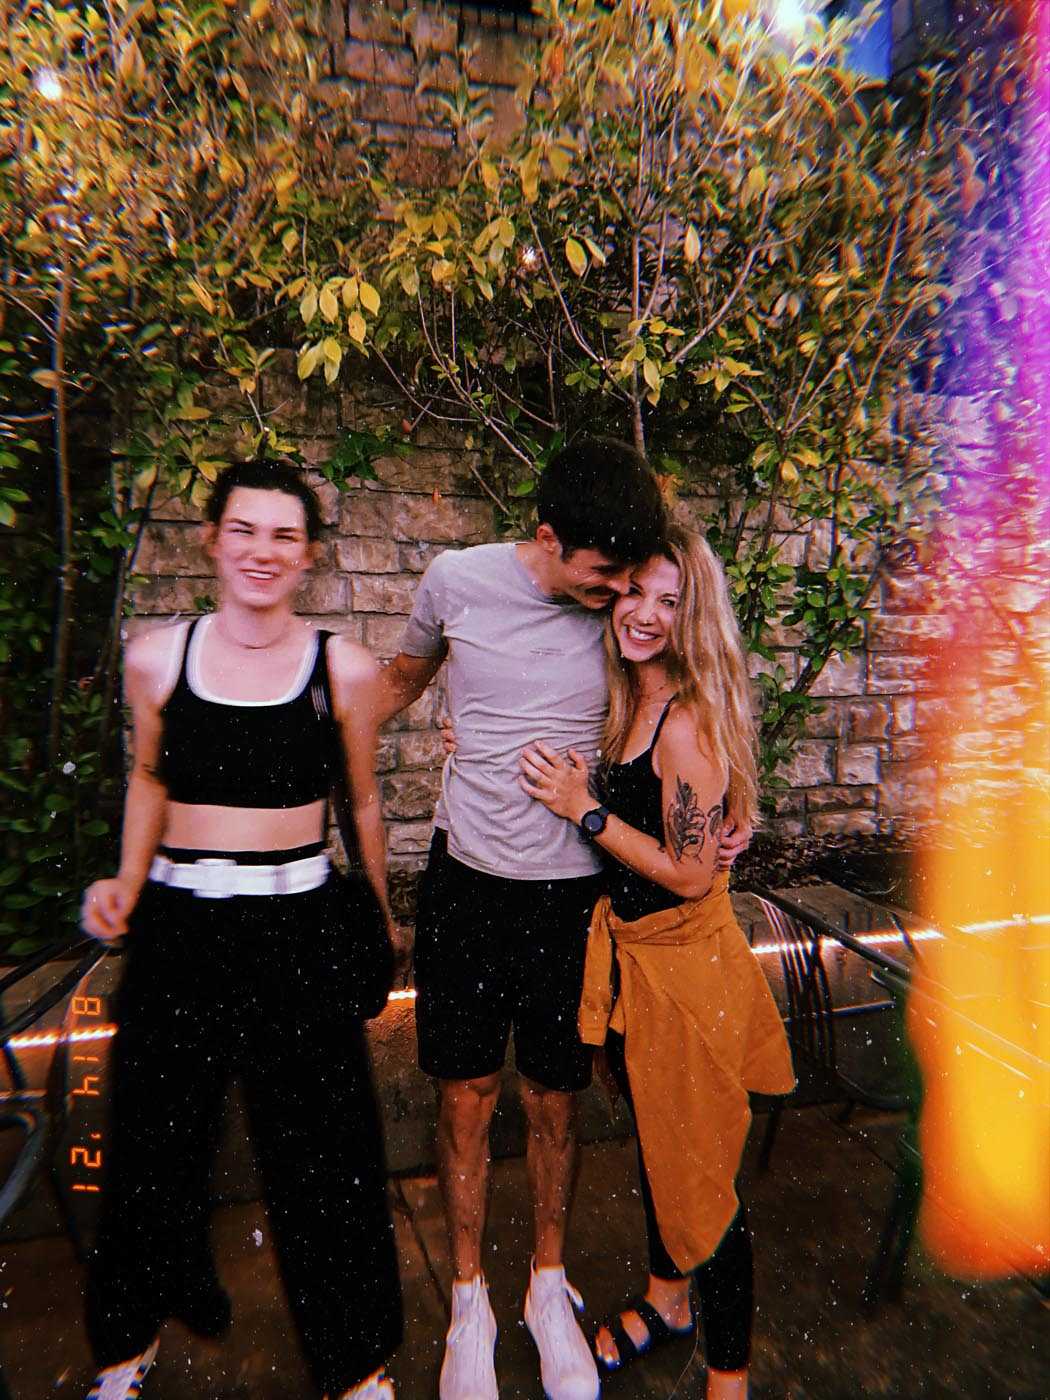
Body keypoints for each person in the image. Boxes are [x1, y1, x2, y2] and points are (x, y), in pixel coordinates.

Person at [373, 439, 750, 1400]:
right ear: (548, 539)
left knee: (553, 1100)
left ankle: (548, 1285)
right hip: (465, 885)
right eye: (609, 575)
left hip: (571, 904)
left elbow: (693, 712)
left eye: (636, 581)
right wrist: (309, 726)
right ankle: (468, 1299)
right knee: (464, 1097)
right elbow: (402, 680)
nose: (624, 595)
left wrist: (733, 811)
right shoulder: (456, 581)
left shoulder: (624, 619)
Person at [79, 460, 403, 1400]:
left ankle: (356, 1365)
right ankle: (124, 1348)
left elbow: (363, 799)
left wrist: (380, 912)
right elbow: (149, 777)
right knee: (151, 1144)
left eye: (285, 535)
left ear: (309, 555)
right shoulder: (156, 658)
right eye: (245, 530)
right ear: (212, 540)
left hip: (296, 927)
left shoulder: (341, 668)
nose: (263, 551)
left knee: (326, 1158)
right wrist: (125, 883)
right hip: (179, 928)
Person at [519, 524, 794, 1400]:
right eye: (633, 590)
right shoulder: (623, 693)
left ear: (693, 614)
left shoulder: (684, 719)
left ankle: (729, 1378)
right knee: (661, 1149)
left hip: (685, 976)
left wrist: (583, 810)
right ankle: (669, 1302)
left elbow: (686, 871)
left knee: (702, 1179)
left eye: (669, 600)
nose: (643, 613)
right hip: (636, 969)